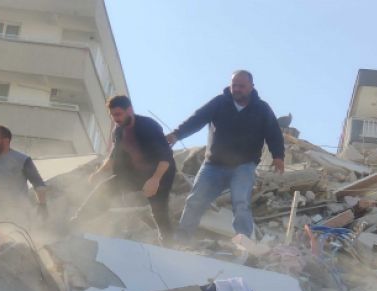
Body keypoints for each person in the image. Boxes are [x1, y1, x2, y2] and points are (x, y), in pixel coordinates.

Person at [167, 70, 285, 239]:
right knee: (195, 200)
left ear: (251, 87)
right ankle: (182, 239)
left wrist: (278, 156)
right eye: (234, 85)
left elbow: (274, 133)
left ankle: (243, 242)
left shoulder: (262, 109)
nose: (236, 89)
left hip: (244, 166)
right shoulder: (220, 103)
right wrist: (177, 134)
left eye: (241, 86)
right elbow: (197, 119)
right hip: (213, 165)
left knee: (241, 202)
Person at [76, 95, 176, 238]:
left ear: (129, 110)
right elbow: (113, 155)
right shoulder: (118, 131)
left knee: (159, 211)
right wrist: (98, 172)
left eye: (118, 114)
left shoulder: (148, 125)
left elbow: (165, 155)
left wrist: (155, 180)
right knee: (105, 190)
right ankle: (76, 223)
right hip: (135, 174)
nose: (115, 119)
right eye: (112, 115)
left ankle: (169, 245)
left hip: (160, 172)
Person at [0, 125, 48, 225]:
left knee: (20, 237)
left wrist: (42, 206)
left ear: (6, 140)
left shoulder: (23, 159)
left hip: (19, 208)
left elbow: (38, 184)